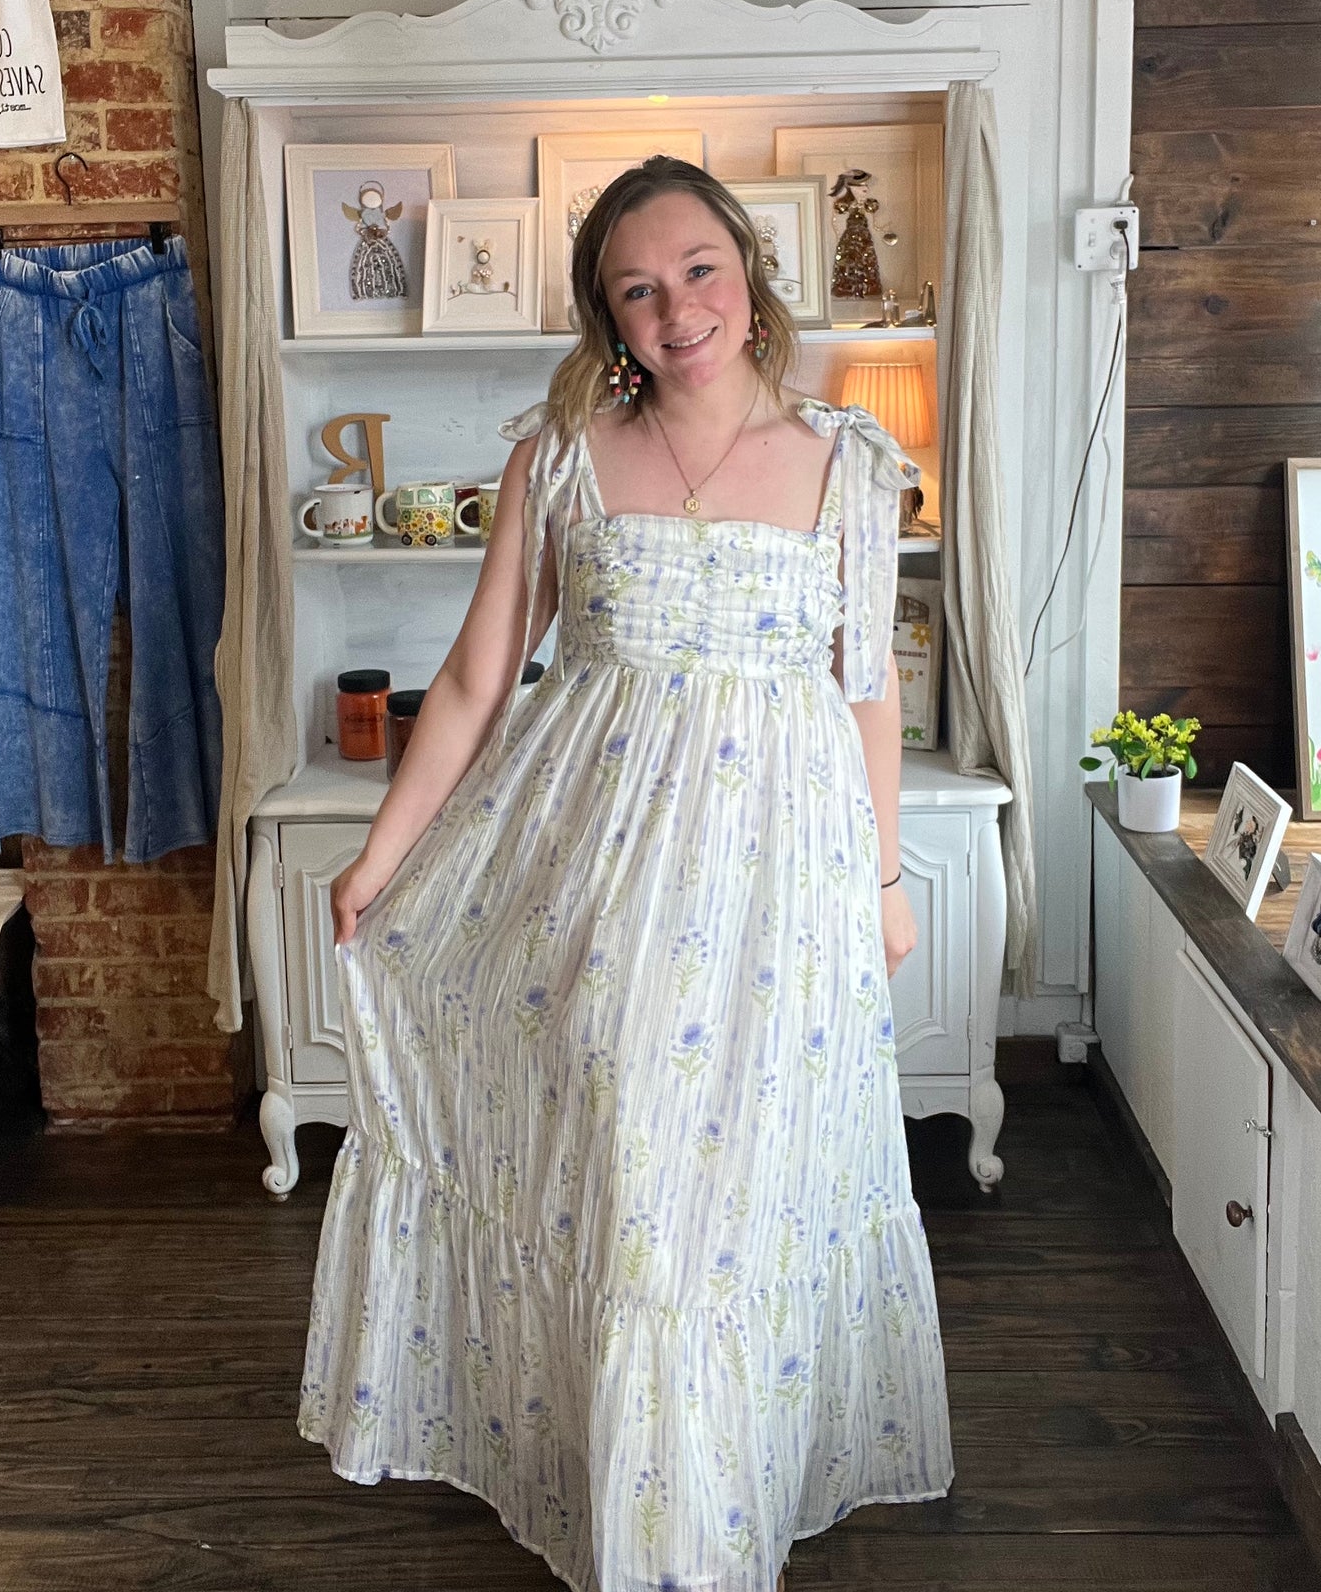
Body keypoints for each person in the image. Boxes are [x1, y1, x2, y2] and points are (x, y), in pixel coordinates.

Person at [298, 157, 954, 1592]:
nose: (677, 309)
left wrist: (886, 882)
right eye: (638, 289)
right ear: (609, 317)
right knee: (634, 1178)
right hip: (595, 876)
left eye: (699, 270)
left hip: (784, 885)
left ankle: (721, 1498)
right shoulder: (561, 457)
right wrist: (382, 854)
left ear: (750, 273)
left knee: (754, 1186)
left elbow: (867, 690)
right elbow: (476, 680)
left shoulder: (853, 466)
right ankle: (646, 1514)